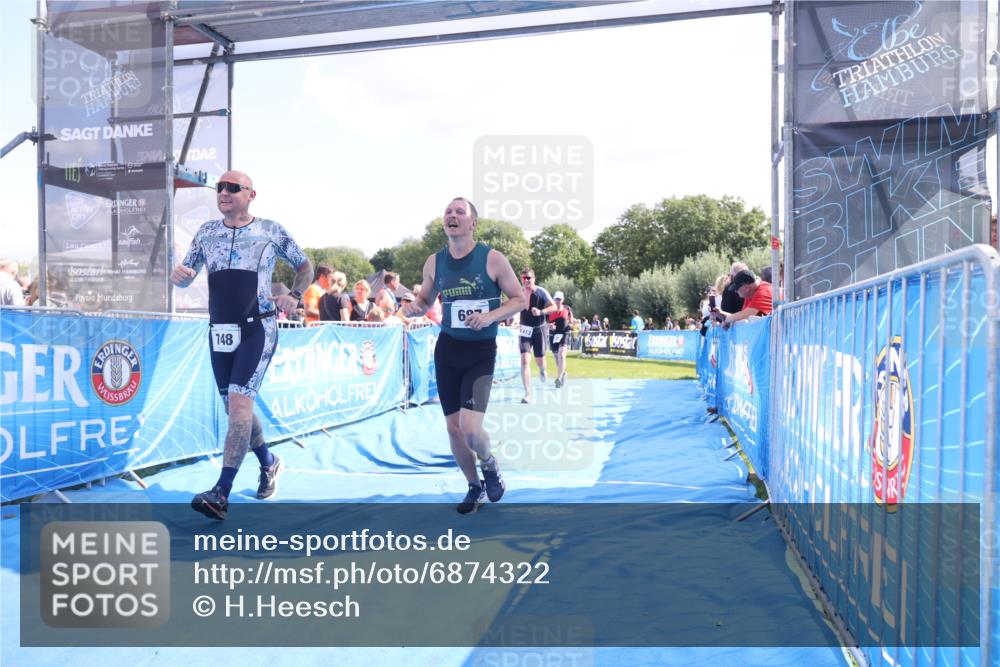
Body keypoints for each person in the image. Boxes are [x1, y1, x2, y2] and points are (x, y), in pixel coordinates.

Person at [170, 170, 312, 520]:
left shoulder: (271, 230)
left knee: (238, 405)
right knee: (237, 409)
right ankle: (269, 462)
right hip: (220, 331)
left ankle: (221, 492)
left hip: (257, 328)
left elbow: (304, 266)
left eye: (232, 188)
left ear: (251, 194)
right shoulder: (207, 232)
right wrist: (178, 277)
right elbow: (187, 275)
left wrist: (295, 295)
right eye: (220, 187)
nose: (224, 192)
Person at [400, 197, 525, 514]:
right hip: (448, 349)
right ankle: (474, 487)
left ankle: (489, 463)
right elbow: (425, 301)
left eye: (460, 212)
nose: (452, 215)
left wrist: (490, 316)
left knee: (470, 428)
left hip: (480, 352)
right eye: (448, 211)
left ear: (473, 223)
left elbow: (519, 299)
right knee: (453, 428)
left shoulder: (492, 259)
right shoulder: (434, 262)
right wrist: (414, 308)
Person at [517, 269, 556, 403]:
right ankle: (528, 393)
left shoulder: (541, 292)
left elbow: (554, 307)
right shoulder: (518, 292)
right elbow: (512, 306)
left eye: (529, 278)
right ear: (521, 279)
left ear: (534, 279)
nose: (527, 280)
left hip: (539, 330)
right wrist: (510, 316)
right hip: (524, 330)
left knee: (540, 360)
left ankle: (542, 370)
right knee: (525, 360)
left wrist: (541, 312)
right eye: (524, 278)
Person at [547, 291, 573, 388]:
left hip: (564, 334)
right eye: (556, 299)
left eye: (559, 299)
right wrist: (549, 325)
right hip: (553, 335)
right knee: (556, 357)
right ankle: (563, 373)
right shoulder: (549, 309)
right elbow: (544, 322)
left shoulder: (567, 309)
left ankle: (559, 377)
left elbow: (571, 321)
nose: (558, 301)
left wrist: (571, 325)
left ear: (563, 300)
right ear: (553, 300)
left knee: (562, 355)